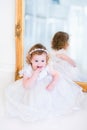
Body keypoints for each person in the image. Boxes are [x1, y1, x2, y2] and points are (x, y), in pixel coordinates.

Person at [5, 43, 85, 122]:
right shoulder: (28, 70)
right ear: (30, 60)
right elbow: (26, 86)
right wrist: (34, 75)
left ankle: (49, 107)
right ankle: (36, 108)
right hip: (33, 89)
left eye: (42, 60)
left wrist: (53, 83)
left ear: (46, 60)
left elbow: (57, 75)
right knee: (32, 101)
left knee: (51, 98)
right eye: (36, 61)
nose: (39, 63)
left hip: (47, 87)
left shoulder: (47, 68)